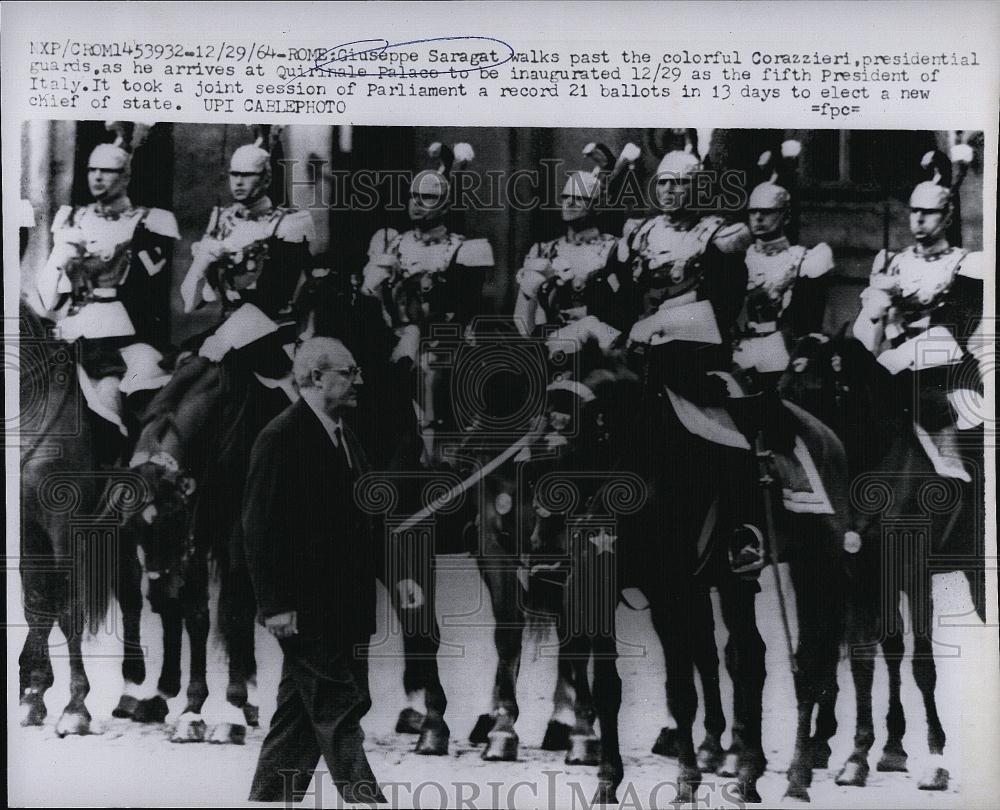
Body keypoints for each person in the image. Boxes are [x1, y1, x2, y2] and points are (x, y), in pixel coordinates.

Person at [244, 337, 385, 804]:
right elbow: (260, 528)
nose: (359, 380)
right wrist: (276, 605)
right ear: (316, 376)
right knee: (338, 706)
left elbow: (361, 517)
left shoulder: (346, 436)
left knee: (298, 719)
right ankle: (368, 802)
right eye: (350, 371)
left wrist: (397, 573)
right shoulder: (279, 437)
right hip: (304, 610)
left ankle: (268, 800)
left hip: (343, 607)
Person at [32, 122, 179, 448]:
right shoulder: (71, 220)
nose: (97, 177)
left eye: (108, 171)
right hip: (72, 332)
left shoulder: (148, 222)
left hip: (124, 338)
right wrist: (60, 256)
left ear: (126, 176)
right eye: (92, 169)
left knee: (116, 403)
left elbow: (150, 295)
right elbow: (48, 300)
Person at [854, 147, 984, 480]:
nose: (919, 220)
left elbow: (956, 331)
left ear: (948, 216)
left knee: (934, 408)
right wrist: (873, 312)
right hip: (891, 361)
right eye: (914, 211)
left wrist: (893, 360)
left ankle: (953, 477)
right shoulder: (890, 262)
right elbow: (866, 338)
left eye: (929, 212)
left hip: (943, 367)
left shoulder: (967, 265)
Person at [179, 130, 315, 375]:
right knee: (183, 363)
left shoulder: (289, 224)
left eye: (247, 175)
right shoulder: (221, 220)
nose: (238, 182)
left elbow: (275, 298)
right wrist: (200, 266)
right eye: (234, 174)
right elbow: (191, 304)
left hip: (272, 330)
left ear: (265, 179)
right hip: (227, 325)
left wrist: (223, 338)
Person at [513, 143, 639, 336]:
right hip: (553, 346)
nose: (569, 203)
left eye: (580, 198)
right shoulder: (543, 250)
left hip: (600, 348)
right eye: (565, 197)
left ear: (596, 206)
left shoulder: (613, 249)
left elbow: (628, 310)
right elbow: (524, 324)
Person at [734, 142, 833, 386]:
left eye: (766, 212)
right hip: (737, 352)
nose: (758, 218)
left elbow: (810, 320)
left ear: (785, 216)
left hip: (783, 353)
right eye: (753, 211)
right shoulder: (738, 258)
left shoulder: (805, 259)